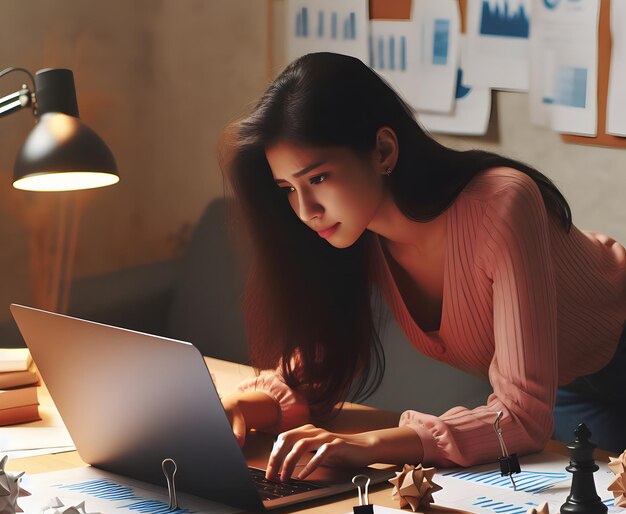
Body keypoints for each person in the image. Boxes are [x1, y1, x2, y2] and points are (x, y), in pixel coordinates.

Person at [219, 52, 626, 482]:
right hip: (563, 384)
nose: (306, 211)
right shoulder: (356, 233)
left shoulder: (503, 203)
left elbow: (521, 418)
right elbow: (320, 366)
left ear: (383, 150)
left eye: (318, 178)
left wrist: (370, 445)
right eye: (288, 188)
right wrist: (243, 407)